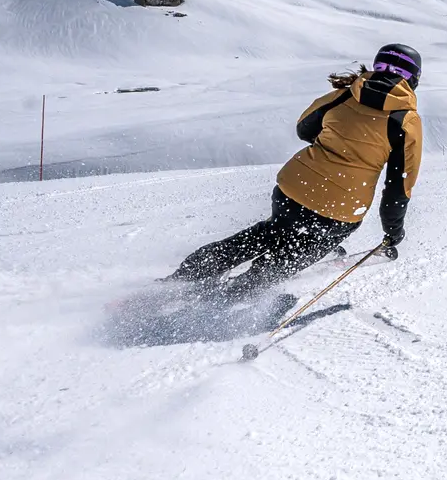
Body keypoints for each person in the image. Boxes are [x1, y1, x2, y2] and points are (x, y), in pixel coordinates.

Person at [166, 44, 424, 299]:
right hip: (340, 209)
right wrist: (392, 232)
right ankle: (233, 295)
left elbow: (304, 129)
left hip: (294, 187)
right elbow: (398, 187)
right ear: (413, 81)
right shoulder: (406, 121)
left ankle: (183, 278)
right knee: (296, 253)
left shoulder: (345, 95)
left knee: (267, 233)